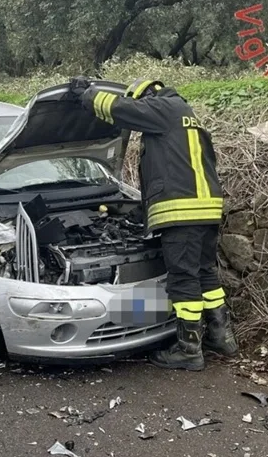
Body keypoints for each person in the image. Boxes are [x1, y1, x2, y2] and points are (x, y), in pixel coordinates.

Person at [69, 76, 238, 372]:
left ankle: (188, 350)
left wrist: (88, 95)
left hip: (181, 211)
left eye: (140, 102)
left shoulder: (164, 108)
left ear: (147, 95)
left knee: (183, 279)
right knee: (204, 274)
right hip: (206, 209)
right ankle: (221, 337)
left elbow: (120, 108)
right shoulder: (188, 117)